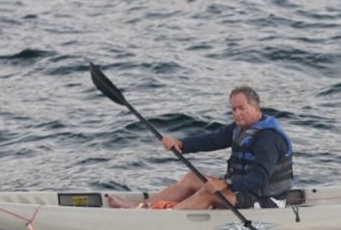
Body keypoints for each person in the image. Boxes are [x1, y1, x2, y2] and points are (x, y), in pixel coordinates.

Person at [108, 86, 294, 211]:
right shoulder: (240, 129)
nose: (237, 113)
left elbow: (259, 179)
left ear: (256, 107)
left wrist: (226, 184)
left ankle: (163, 219)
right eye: (233, 109)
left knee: (208, 192)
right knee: (191, 179)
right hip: (242, 192)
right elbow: (211, 140)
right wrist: (181, 144)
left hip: (267, 202)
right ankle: (139, 208)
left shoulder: (268, 139)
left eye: (241, 108)